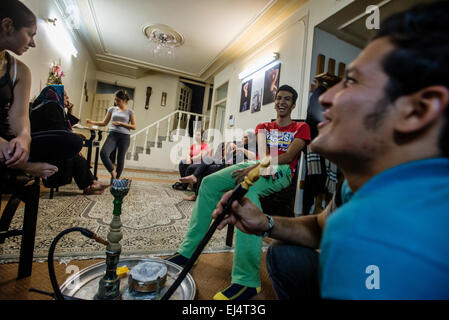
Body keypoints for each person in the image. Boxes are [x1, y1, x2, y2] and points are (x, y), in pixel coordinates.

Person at [213, 1, 449, 299]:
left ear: (416, 111)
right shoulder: (354, 186)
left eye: (350, 81)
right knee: (283, 254)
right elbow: (320, 225)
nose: (324, 99)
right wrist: (265, 223)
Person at [167, 85, 311, 300]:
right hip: (259, 162)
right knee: (209, 182)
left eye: (287, 99)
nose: (282, 102)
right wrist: (254, 165)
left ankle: (247, 281)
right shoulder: (263, 125)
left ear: (293, 104)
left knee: (247, 194)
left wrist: (256, 168)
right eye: (279, 97)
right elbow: (261, 154)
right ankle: (189, 252)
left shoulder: (301, 127)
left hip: (281, 170)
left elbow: (289, 156)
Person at [0, 0, 58, 179]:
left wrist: (24, 138)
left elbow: (19, 117)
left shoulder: (20, 71)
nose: (33, 43)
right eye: (30, 34)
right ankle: (21, 165)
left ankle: (14, 160)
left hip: (5, 137)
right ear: (8, 26)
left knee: (69, 142)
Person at [30, 86, 109, 195]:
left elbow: (63, 127)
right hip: (47, 149)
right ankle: (91, 184)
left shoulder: (50, 105)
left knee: (76, 155)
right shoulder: (51, 106)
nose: (68, 99)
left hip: (51, 144)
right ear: (57, 96)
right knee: (76, 152)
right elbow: (60, 131)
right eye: (65, 96)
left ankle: (91, 184)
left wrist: (70, 109)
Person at [86, 90, 136, 181]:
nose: (116, 102)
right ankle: (113, 172)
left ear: (124, 100)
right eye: (115, 100)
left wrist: (121, 124)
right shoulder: (112, 109)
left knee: (120, 159)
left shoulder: (130, 112)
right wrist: (92, 122)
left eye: (118, 100)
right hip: (113, 135)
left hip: (125, 137)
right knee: (104, 153)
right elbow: (104, 123)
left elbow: (134, 126)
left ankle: (115, 180)